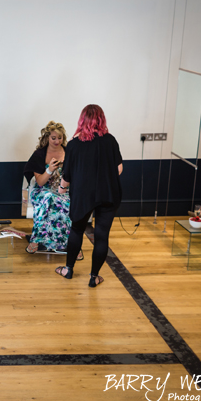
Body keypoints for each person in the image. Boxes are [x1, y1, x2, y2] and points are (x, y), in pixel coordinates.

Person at [55, 105, 123, 288]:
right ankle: (94, 277)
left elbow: (67, 175)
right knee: (101, 235)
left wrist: (61, 189)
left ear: (82, 120)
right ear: (102, 119)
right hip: (108, 194)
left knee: (77, 229)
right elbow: (119, 169)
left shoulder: (74, 144)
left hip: (83, 195)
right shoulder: (110, 141)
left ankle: (68, 270)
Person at [23, 121, 82, 259]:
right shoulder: (39, 154)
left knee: (68, 203)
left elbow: (76, 176)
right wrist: (49, 169)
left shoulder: (69, 152)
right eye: (53, 138)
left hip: (65, 190)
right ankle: (36, 241)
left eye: (60, 138)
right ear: (47, 138)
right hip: (43, 190)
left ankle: (71, 244)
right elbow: (40, 182)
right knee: (48, 198)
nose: (57, 141)